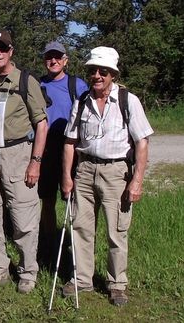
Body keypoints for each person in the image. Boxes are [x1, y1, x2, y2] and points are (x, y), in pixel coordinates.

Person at [61, 46, 153, 306]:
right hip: (85, 169)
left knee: (117, 230)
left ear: (113, 73)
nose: (97, 75)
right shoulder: (81, 102)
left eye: (103, 71)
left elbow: (142, 142)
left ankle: (117, 283)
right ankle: (82, 280)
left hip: (116, 172)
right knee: (80, 227)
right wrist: (67, 177)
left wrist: (136, 181)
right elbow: (69, 142)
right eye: (92, 71)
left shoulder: (128, 100)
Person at [0, 29, 48, 294]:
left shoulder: (26, 81)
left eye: (2, 48)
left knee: (22, 218)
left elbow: (42, 124)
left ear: (11, 51)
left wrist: (35, 161)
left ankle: (28, 273)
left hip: (18, 156)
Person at [38, 41, 88, 265]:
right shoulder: (37, 84)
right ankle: (49, 242)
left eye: (58, 57)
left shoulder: (76, 85)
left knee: (74, 198)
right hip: (45, 147)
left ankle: (76, 244)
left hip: (70, 146)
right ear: (45, 60)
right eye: (49, 57)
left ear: (65, 60)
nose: (53, 61)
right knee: (46, 199)